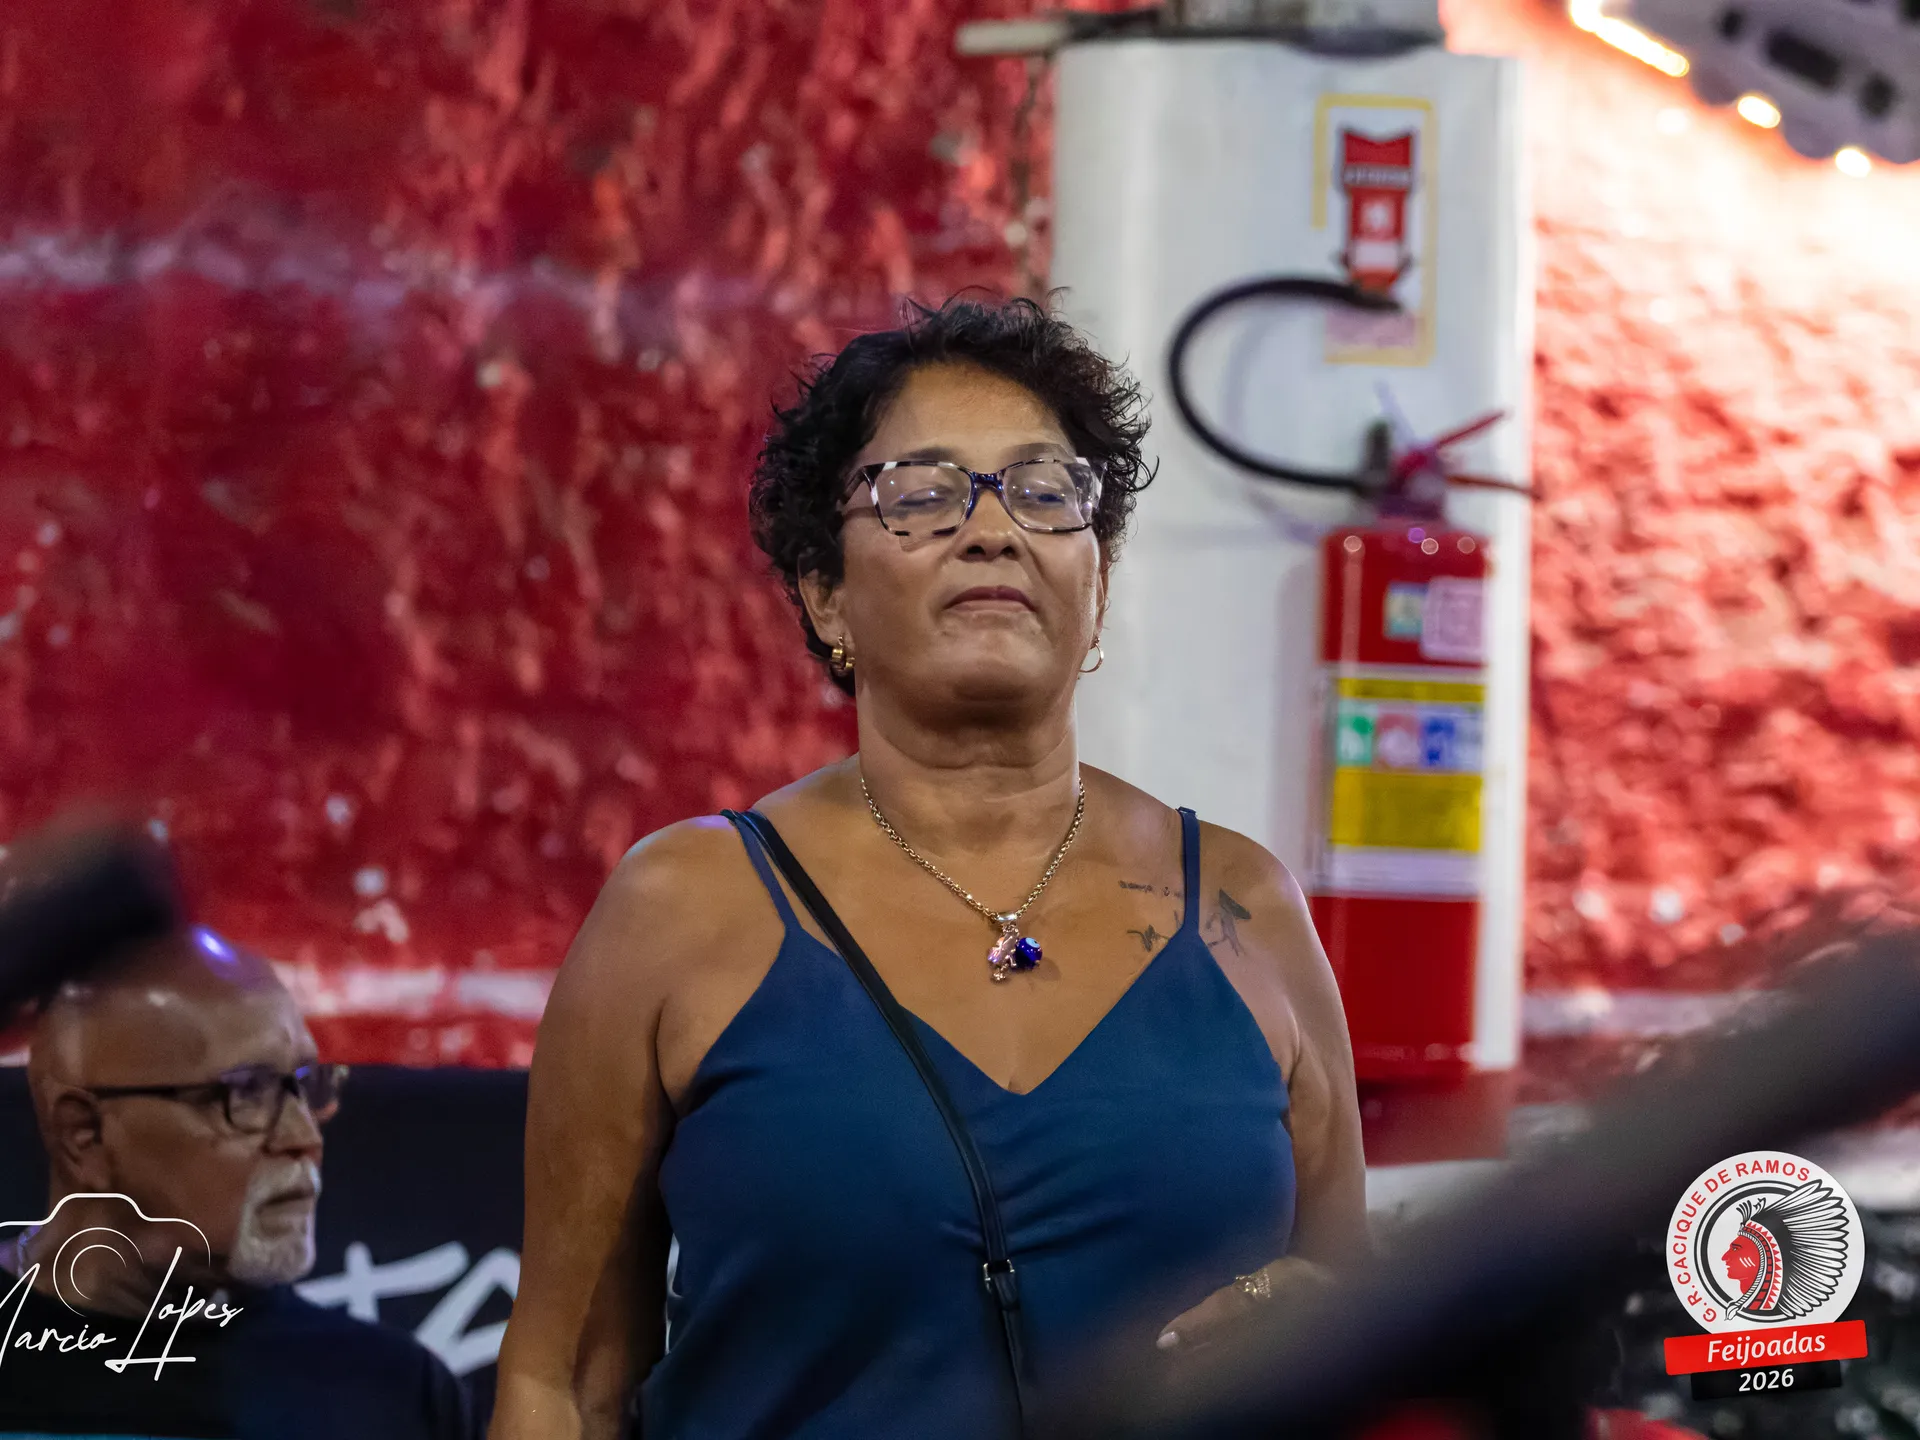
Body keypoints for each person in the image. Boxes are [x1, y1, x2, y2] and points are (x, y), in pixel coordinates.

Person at [491, 297, 1368, 1439]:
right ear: (826, 593)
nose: (993, 530)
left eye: (1044, 492)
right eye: (922, 493)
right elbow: (562, 1384)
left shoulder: (1241, 907)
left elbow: (1357, 1306)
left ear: (1097, 585)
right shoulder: (682, 911)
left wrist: (1319, 1320)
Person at [0, 925, 474, 1440]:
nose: (304, 1137)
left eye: (306, 1085)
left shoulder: (395, 1398)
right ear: (85, 1134)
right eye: (247, 1092)